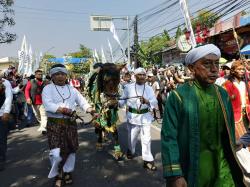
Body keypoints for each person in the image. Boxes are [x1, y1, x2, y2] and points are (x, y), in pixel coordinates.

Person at [161, 44, 245, 187]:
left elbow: (228, 129)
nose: (214, 69)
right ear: (192, 68)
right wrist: (175, 175)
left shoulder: (222, 94)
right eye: (207, 63)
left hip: (222, 166)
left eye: (216, 63)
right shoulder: (178, 97)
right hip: (193, 168)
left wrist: (233, 141)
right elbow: (169, 137)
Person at [42, 64, 96, 187]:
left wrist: (91, 110)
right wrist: (65, 110)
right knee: (55, 152)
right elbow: (48, 105)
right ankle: (58, 173)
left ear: (66, 75)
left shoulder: (72, 89)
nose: (60, 76)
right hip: (54, 124)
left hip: (70, 124)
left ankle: (67, 172)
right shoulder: (47, 89)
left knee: (71, 149)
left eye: (62, 74)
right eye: (57, 74)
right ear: (52, 76)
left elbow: (83, 102)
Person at [119, 67, 158, 171]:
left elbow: (154, 102)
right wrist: (114, 102)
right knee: (132, 138)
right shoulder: (128, 88)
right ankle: (130, 150)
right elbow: (121, 101)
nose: (142, 77)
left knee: (146, 139)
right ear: (135, 76)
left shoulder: (149, 88)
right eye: (139, 75)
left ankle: (147, 160)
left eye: (143, 75)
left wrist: (147, 101)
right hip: (133, 117)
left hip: (145, 117)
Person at [223, 60, 250, 142]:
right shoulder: (227, 85)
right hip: (235, 116)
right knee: (240, 139)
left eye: (243, 69)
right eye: (239, 69)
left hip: (247, 114)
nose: (242, 71)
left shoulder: (246, 83)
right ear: (233, 71)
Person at [25, 69, 47, 134]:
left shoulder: (44, 82)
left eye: (41, 74)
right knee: (37, 115)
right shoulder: (31, 82)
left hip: (43, 102)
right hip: (34, 102)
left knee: (43, 115)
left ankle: (44, 128)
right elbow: (26, 90)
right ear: (35, 75)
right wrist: (28, 98)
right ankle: (42, 124)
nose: (40, 75)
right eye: (39, 74)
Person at [0, 74, 13, 171]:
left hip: (1, 115)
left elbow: (8, 97)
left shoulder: (5, 82)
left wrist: (6, 112)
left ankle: (1, 159)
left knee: (1, 138)